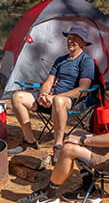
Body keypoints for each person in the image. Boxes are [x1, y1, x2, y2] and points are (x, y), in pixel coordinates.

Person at [16, 54, 109, 203]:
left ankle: (49, 194)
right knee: (77, 134)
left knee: (69, 147)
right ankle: (90, 189)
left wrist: (83, 142)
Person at [8, 24, 96, 160]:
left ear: (83, 42)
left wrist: (54, 97)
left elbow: (82, 89)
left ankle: (58, 145)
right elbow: (48, 82)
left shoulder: (86, 61)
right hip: (52, 98)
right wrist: (44, 95)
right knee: (17, 96)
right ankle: (30, 140)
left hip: (71, 101)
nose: (70, 41)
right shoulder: (61, 60)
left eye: (75, 38)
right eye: (69, 38)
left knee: (58, 101)